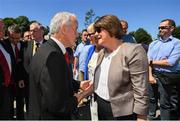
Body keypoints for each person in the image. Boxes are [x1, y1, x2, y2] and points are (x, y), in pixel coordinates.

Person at [82, 15, 148, 120]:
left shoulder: (133, 51)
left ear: (111, 29)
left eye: (99, 30)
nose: (95, 34)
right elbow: (98, 83)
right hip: (101, 108)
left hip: (122, 113)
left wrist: (141, 117)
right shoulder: (102, 53)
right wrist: (81, 95)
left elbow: (141, 90)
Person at [27, 11, 82, 120]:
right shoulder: (53, 56)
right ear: (64, 29)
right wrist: (79, 97)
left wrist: (79, 84)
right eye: (76, 29)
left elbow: (55, 82)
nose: (77, 34)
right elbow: (57, 106)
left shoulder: (46, 48)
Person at [148, 19, 180, 120]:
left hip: (167, 76)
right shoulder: (153, 44)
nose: (160, 29)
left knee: (164, 103)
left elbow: (170, 62)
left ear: (172, 28)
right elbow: (147, 61)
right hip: (152, 74)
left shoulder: (177, 43)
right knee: (151, 99)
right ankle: (151, 117)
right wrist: (150, 76)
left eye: (163, 27)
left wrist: (152, 62)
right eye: (159, 27)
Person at [0, 19, 13, 120]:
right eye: (1, 27)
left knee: (5, 114)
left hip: (6, 87)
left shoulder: (4, 44)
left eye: (3, 28)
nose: (2, 30)